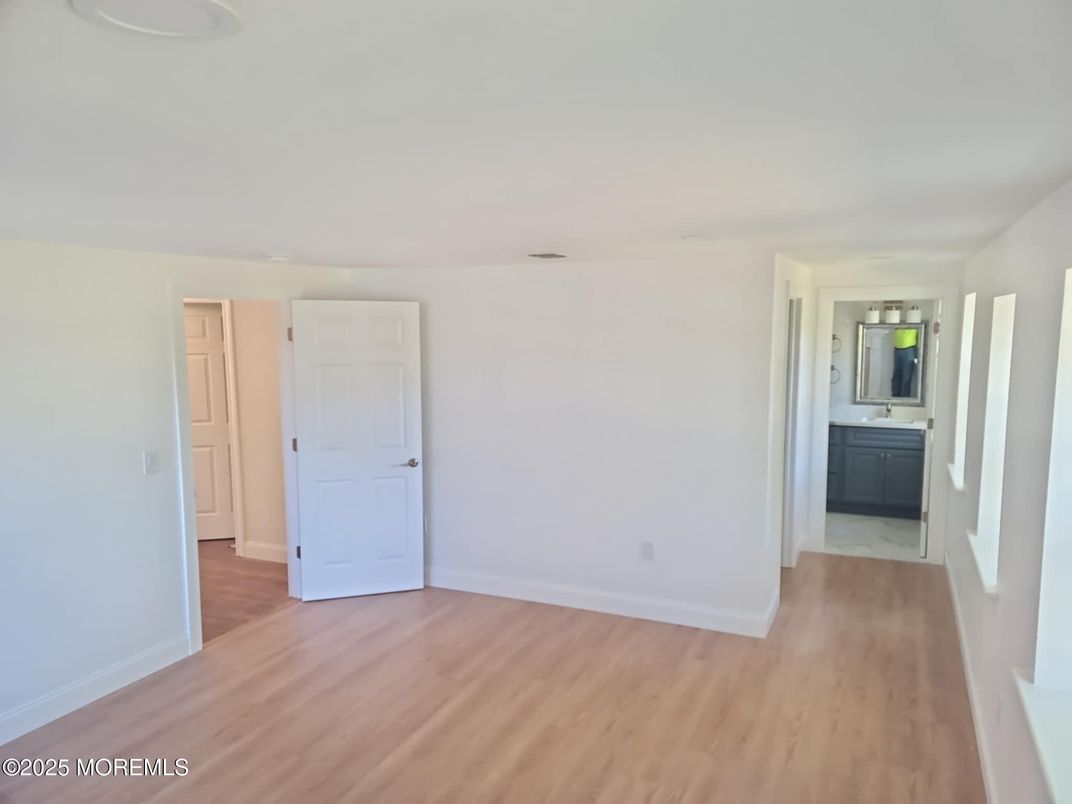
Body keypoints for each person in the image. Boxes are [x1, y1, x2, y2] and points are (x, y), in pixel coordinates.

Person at [891, 327, 918, 397]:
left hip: (909, 348)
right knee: (896, 377)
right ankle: (895, 399)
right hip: (897, 347)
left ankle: (904, 400)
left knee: (906, 378)